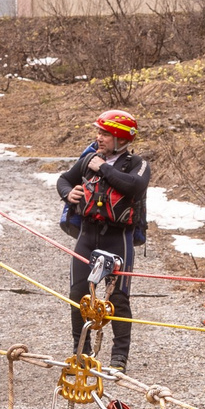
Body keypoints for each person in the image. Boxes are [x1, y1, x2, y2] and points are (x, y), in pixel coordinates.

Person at [55, 109, 149, 371]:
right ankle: (81, 352)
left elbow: (133, 187)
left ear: (120, 138)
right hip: (88, 234)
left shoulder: (137, 164)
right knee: (78, 294)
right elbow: (64, 179)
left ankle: (118, 358)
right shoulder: (89, 158)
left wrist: (104, 168)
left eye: (105, 133)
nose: (99, 137)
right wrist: (67, 193)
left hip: (118, 238)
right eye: (98, 132)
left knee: (118, 298)